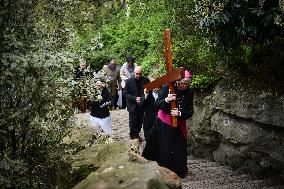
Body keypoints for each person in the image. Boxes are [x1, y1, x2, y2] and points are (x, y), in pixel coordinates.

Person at [142, 70, 194, 178]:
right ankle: (164, 170)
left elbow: (190, 111)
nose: (184, 86)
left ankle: (179, 170)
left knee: (179, 147)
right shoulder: (167, 87)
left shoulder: (189, 91)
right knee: (164, 147)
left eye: (186, 84)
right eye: (182, 83)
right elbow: (156, 105)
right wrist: (166, 100)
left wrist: (179, 113)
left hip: (179, 123)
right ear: (177, 81)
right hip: (164, 122)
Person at [124, 66, 150, 142]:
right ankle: (132, 135)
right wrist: (134, 99)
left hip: (142, 104)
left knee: (140, 120)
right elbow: (125, 93)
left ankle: (137, 134)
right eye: (137, 74)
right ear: (134, 73)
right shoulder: (128, 81)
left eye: (140, 74)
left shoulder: (146, 80)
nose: (138, 75)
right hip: (132, 104)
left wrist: (142, 98)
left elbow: (148, 91)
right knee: (133, 121)